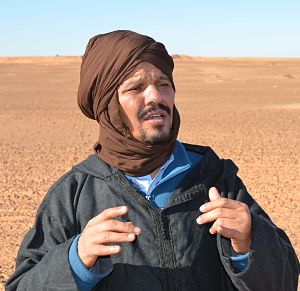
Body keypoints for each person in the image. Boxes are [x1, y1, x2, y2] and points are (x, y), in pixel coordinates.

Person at [6, 30, 299, 291]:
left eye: (163, 84)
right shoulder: (74, 194)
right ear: (107, 105)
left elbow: (284, 281)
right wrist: (76, 259)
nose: (156, 97)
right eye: (136, 88)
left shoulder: (214, 177)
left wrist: (248, 243)